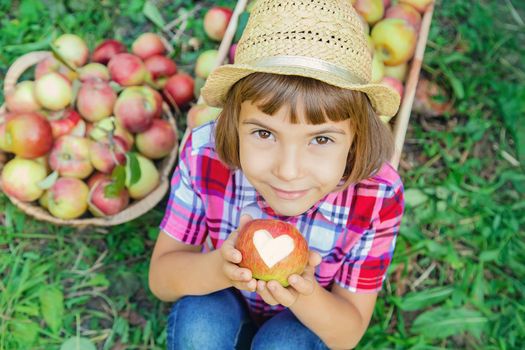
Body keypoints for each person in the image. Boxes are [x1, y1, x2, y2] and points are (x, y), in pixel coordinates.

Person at [149, 0, 405, 349]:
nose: (288, 170)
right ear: (234, 122)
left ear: (356, 138)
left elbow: (347, 333)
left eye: (321, 138)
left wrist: (305, 294)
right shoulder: (204, 154)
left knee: (286, 343)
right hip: (220, 295)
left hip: (306, 318)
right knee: (200, 324)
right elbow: (162, 279)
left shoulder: (377, 195)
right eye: (264, 134)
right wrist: (220, 269)